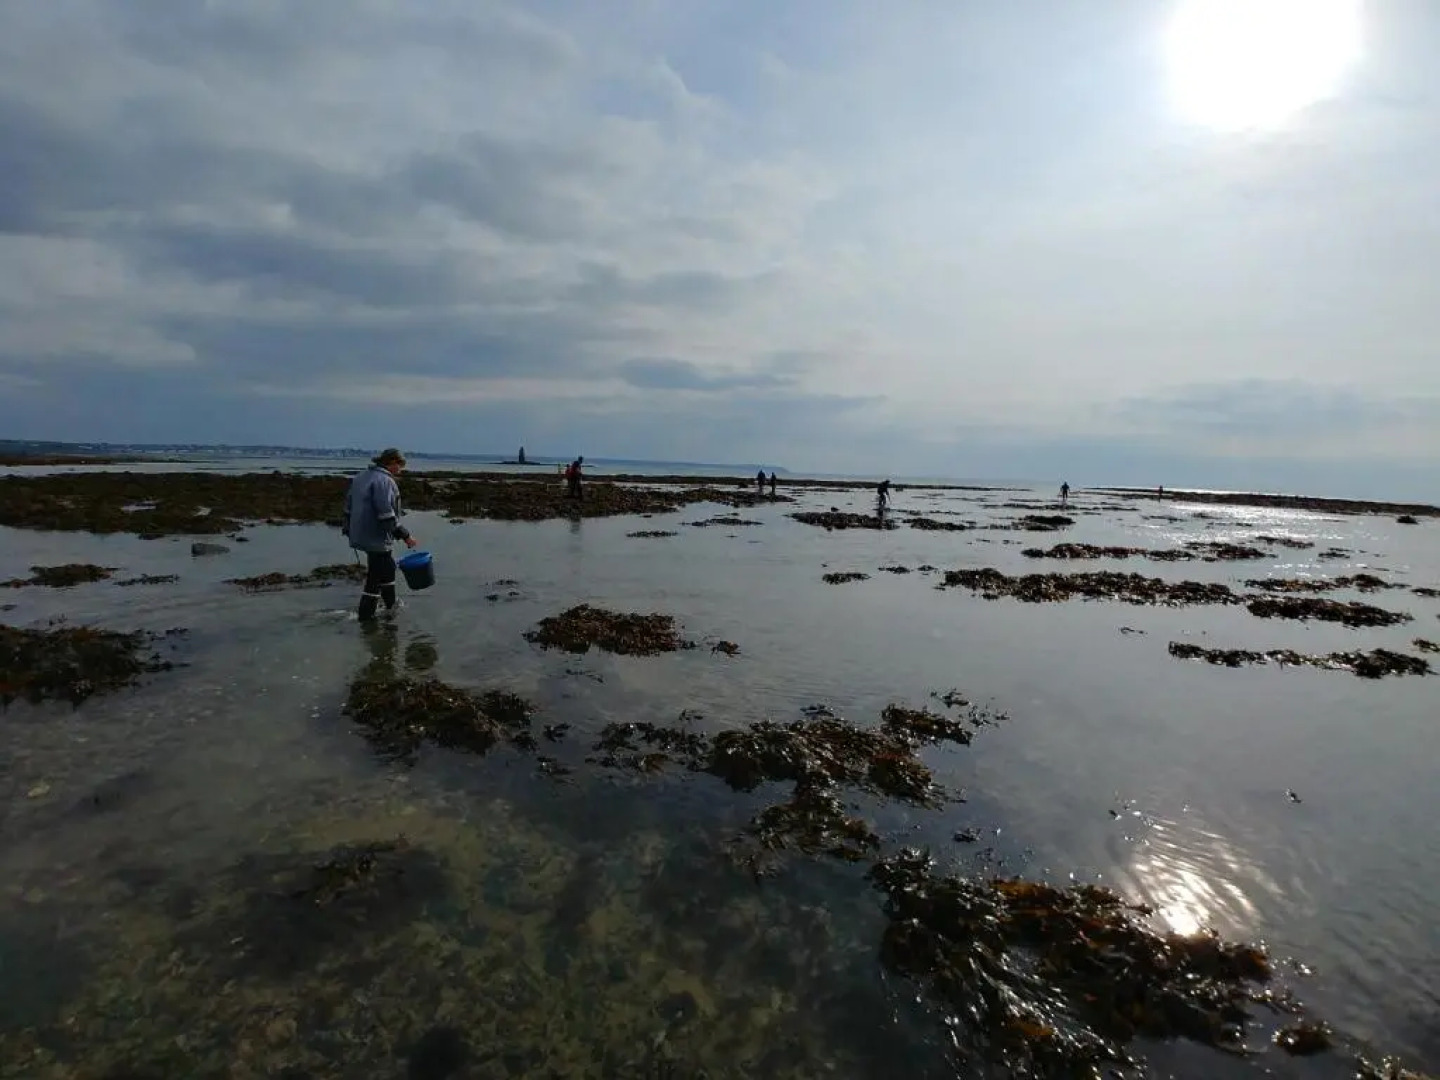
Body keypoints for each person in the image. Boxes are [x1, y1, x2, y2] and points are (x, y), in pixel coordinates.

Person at [343, 448, 418, 623]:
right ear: (391, 462)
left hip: (360, 534)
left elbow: (348, 507)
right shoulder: (384, 481)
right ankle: (365, 620)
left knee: (388, 567)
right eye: (400, 465)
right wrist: (406, 536)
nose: (400, 470)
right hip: (375, 536)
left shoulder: (361, 477)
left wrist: (348, 529)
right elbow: (386, 514)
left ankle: (390, 606)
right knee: (375, 577)